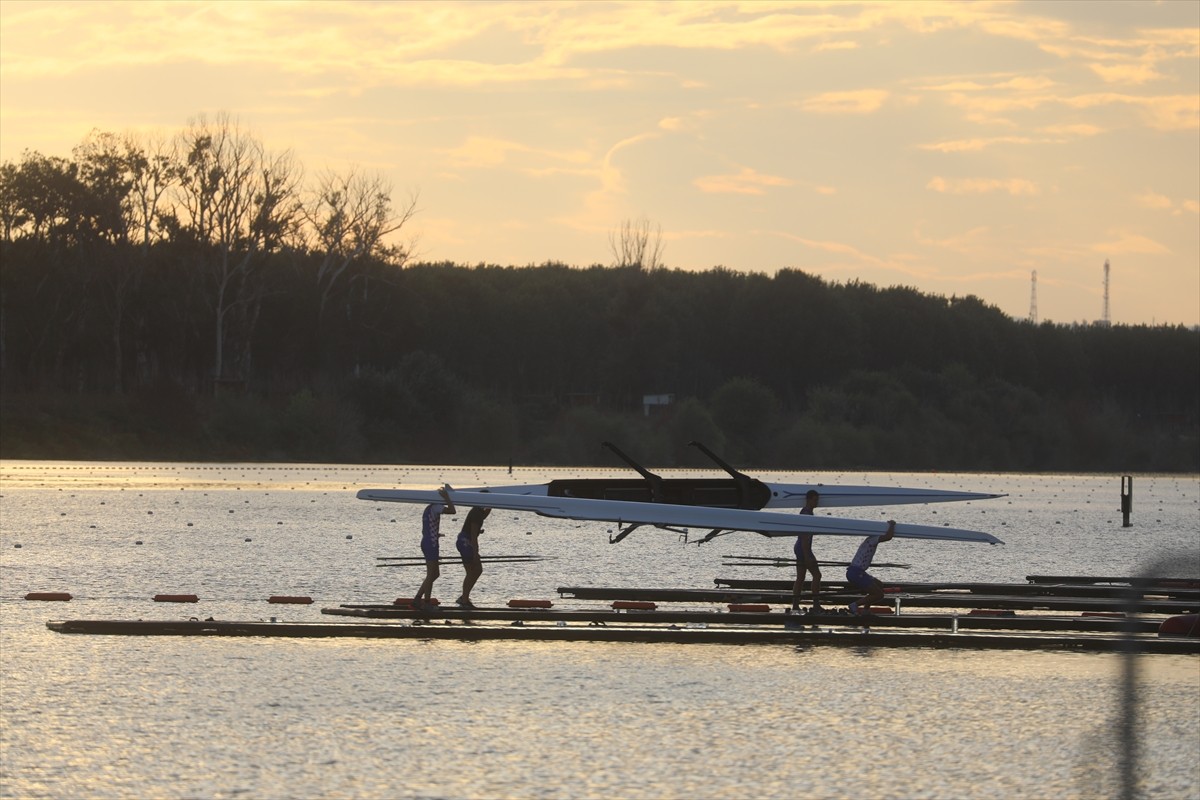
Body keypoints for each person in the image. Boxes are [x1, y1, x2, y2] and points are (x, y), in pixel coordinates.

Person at [413, 487, 455, 610]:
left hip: (427, 542)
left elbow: (424, 528)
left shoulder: (427, 509)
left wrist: (435, 534)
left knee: (434, 574)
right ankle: (425, 603)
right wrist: (447, 498)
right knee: (432, 574)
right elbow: (452, 511)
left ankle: (418, 599)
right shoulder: (436, 507)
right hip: (431, 544)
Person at [846, 520, 896, 615]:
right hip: (856, 573)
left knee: (879, 585)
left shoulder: (870, 539)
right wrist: (892, 525)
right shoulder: (872, 539)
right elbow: (888, 537)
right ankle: (854, 605)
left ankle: (865, 610)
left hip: (858, 572)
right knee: (879, 594)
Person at [455, 503, 491, 608]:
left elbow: (484, 515)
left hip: (463, 540)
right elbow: (473, 536)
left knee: (471, 572)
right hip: (466, 542)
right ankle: (464, 600)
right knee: (476, 570)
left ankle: (464, 598)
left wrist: (492, 505)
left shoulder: (478, 511)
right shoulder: (476, 513)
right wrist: (475, 554)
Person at [791, 490, 822, 613]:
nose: (817, 502)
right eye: (815, 500)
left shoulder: (808, 512)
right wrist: (807, 555)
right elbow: (804, 536)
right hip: (803, 548)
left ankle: (795, 604)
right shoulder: (806, 513)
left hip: (801, 548)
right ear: (809, 500)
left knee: (801, 577)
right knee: (817, 575)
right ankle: (815, 604)